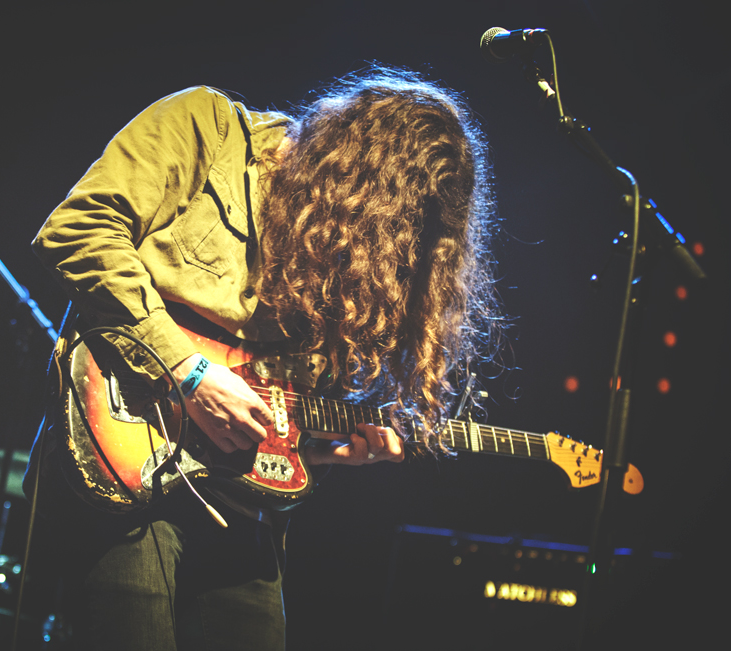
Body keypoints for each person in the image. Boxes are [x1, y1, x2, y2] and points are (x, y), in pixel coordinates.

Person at [28, 65, 497, 650]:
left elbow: (269, 398)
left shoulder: (338, 271)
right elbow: (77, 231)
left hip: (243, 515)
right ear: (353, 180)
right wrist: (189, 372)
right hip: (126, 457)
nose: (382, 255)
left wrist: (320, 451)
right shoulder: (205, 129)